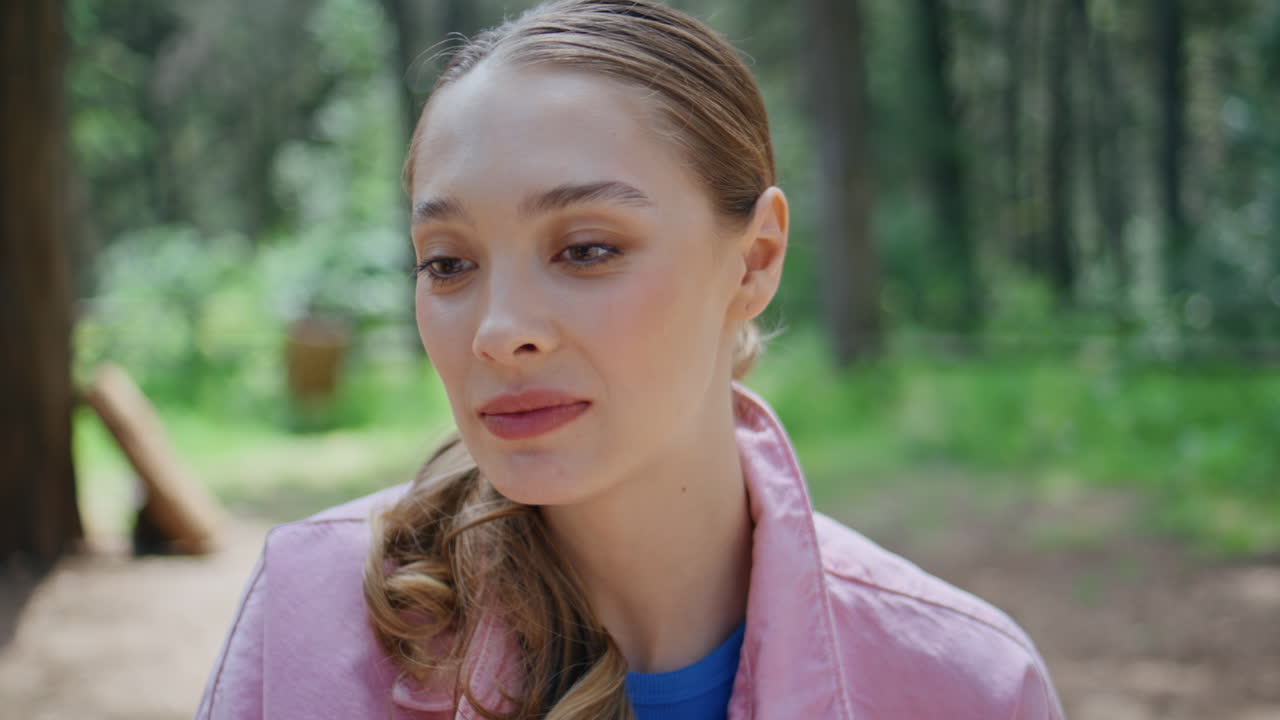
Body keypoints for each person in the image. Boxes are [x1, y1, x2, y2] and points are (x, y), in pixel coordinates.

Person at [196, 1, 1064, 718]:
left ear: (755, 260)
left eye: (586, 249)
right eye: (449, 263)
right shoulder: (310, 620)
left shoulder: (966, 685)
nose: (499, 330)